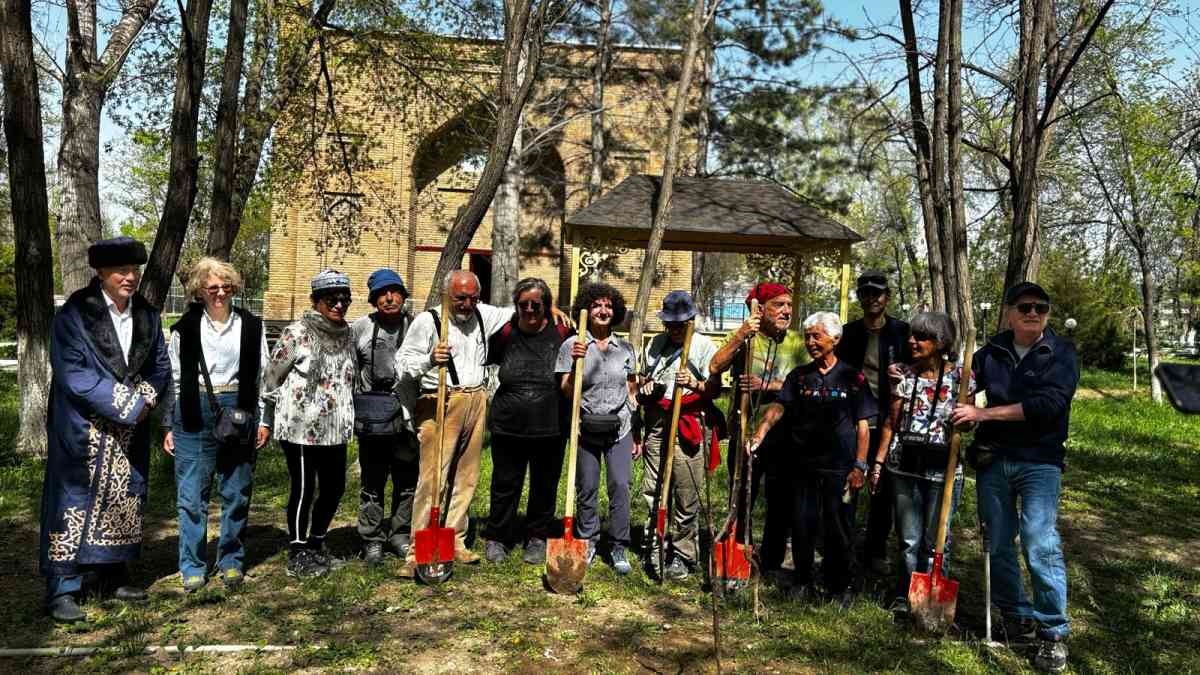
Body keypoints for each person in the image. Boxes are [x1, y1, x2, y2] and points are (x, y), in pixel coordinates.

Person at [396, 270, 569, 577]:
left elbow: (519, 307)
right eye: (460, 298)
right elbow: (402, 363)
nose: (466, 304)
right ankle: (416, 551)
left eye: (473, 297)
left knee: (466, 479)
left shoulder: (482, 314)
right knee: (433, 479)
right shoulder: (428, 321)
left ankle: (455, 540)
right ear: (447, 295)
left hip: (475, 400)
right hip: (440, 399)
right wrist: (430, 359)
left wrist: (552, 306)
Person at [40, 236, 172, 623]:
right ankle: (63, 586)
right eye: (121, 271)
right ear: (101, 273)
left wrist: (146, 400)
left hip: (130, 429)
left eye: (134, 270)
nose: (130, 277)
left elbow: (160, 364)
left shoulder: (147, 315)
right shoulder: (75, 314)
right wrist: (128, 405)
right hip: (82, 425)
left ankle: (112, 574)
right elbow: (73, 373)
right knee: (72, 501)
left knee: (123, 498)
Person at [950, 282, 1078, 673]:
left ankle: (1052, 632)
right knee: (998, 542)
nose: (1033, 313)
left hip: (1040, 461)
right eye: (1025, 307)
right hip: (994, 459)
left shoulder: (1060, 353)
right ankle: (1015, 615)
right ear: (1010, 313)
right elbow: (960, 385)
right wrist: (959, 406)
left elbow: (1048, 405)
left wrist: (983, 414)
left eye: (1041, 307)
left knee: (1040, 542)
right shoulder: (989, 354)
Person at [746, 312, 875, 605]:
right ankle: (802, 581)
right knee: (802, 524)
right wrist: (760, 433)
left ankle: (838, 586)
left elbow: (863, 426)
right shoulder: (799, 376)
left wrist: (860, 466)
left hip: (840, 468)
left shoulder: (853, 378)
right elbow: (779, 407)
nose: (810, 342)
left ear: (835, 339)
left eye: (817, 336)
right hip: (803, 466)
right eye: (807, 337)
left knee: (838, 527)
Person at [164, 257, 272, 593]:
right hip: (193, 409)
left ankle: (231, 560)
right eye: (213, 287)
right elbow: (174, 379)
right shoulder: (184, 329)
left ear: (234, 288)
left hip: (239, 408)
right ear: (200, 290)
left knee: (236, 491)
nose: (220, 293)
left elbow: (264, 377)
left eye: (226, 286)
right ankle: (192, 565)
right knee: (191, 494)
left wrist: (265, 419)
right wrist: (169, 424)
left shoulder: (251, 326)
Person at [868, 312, 972, 610]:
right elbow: (891, 423)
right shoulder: (904, 376)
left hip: (943, 470)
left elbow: (969, 422)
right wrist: (878, 464)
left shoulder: (961, 378)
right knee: (909, 539)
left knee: (937, 539)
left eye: (921, 337)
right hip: (904, 466)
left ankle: (931, 600)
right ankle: (906, 594)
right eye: (911, 336)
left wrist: (966, 418)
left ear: (941, 343)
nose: (912, 341)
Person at [262, 269, 358, 579]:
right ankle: (298, 550)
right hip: (301, 427)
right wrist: (270, 416)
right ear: (315, 300)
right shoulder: (296, 333)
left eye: (345, 299)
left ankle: (317, 542)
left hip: (335, 427)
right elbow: (271, 376)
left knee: (334, 488)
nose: (339, 305)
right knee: (304, 488)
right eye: (332, 299)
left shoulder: (348, 334)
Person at [707, 282, 804, 561]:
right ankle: (738, 550)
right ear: (760, 309)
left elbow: (806, 384)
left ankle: (773, 557)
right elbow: (714, 366)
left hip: (785, 435)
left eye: (789, 305)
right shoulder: (745, 338)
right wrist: (741, 334)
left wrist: (768, 385)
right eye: (779, 305)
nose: (786, 311)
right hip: (745, 432)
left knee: (780, 498)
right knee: (741, 495)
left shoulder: (797, 343)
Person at [483, 277, 573, 565]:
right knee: (504, 483)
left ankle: (537, 536)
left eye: (537, 304)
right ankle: (498, 536)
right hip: (508, 423)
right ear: (516, 306)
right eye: (524, 304)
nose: (530, 310)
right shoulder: (505, 332)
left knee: (545, 484)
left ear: (546, 305)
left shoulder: (563, 332)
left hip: (551, 424)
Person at [556, 282, 640, 575]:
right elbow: (567, 390)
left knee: (620, 485)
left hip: (620, 427)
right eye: (596, 306)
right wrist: (576, 363)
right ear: (586, 309)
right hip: (584, 427)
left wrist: (636, 430)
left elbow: (632, 390)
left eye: (608, 306)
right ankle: (588, 541)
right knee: (587, 487)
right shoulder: (572, 345)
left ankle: (618, 545)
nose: (603, 311)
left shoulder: (625, 348)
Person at [638, 290, 719, 580]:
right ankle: (654, 545)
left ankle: (683, 554)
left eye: (679, 324)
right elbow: (644, 377)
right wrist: (647, 387)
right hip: (658, 422)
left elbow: (715, 390)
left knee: (686, 494)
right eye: (669, 324)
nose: (673, 329)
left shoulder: (705, 347)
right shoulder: (655, 344)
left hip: (688, 423)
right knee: (654, 488)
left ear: (690, 321)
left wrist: (695, 384)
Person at [835, 270, 911, 578]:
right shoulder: (848, 333)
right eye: (865, 293)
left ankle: (875, 550)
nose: (871, 299)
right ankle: (842, 549)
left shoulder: (903, 332)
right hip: (854, 420)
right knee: (848, 483)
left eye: (877, 293)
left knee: (884, 489)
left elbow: (919, 368)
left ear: (887, 297)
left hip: (891, 420)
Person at [351, 268, 419, 565]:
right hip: (373, 418)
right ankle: (372, 538)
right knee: (373, 481)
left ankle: (400, 534)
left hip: (408, 418)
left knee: (407, 480)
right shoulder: (360, 328)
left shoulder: (418, 326)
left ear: (403, 296)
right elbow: (350, 372)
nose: (389, 298)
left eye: (394, 292)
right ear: (373, 299)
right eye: (382, 293)